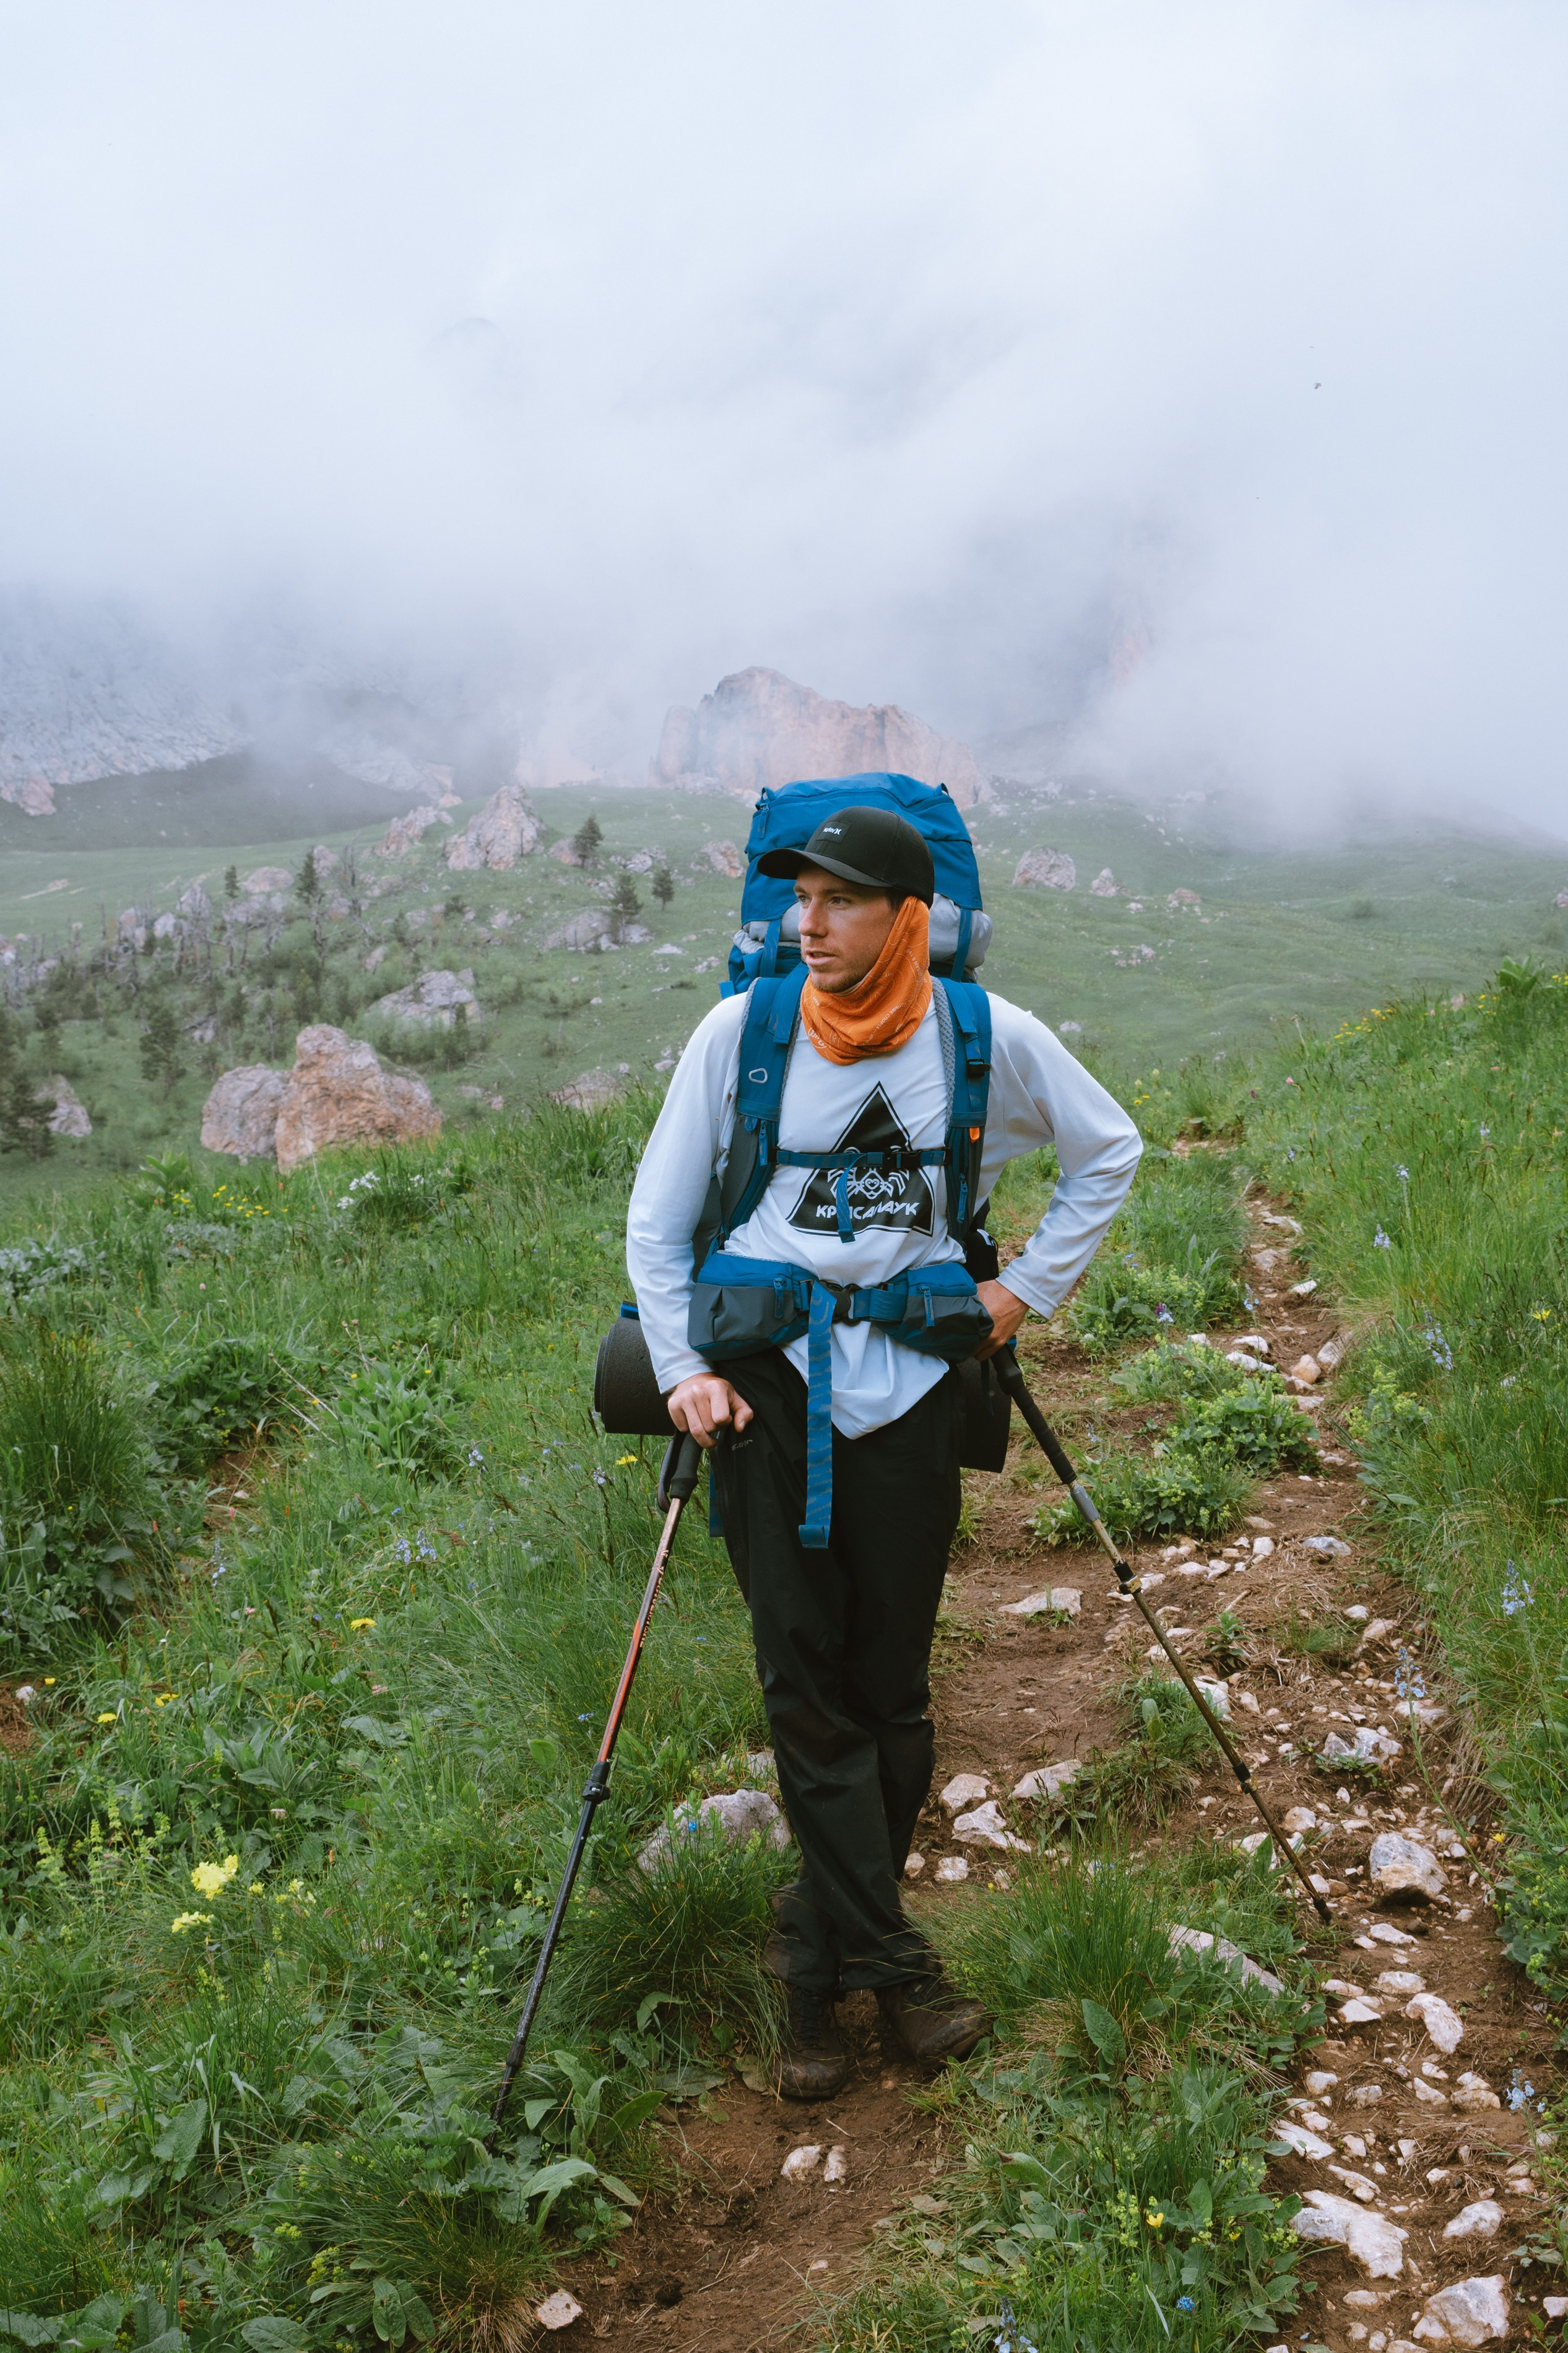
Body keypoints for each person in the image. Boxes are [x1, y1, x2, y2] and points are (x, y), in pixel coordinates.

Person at [626, 806, 1141, 2095]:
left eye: (839, 900)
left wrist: (1019, 1294)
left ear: (905, 918)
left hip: (910, 1386)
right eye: (799, 898)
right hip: (766, 1392)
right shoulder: (740, 1035)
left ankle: (814, 1961)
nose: (808, 922)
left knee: (893, 1691)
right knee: (805, 1685)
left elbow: (1107, 1149)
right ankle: (885, 1981)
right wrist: (685, 1371)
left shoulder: (979, 1036)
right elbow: (658, 1213)